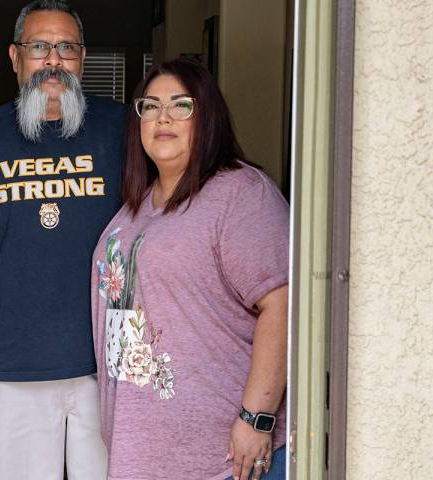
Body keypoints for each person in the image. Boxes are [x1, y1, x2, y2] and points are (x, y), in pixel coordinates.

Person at [0, 1, 126, 478]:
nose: (53, 60)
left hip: (113, 368)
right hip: (10, 366)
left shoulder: (125, 130)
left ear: (81, 58)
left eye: (66, 48)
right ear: (15, 58)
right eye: (39, 47)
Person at [91, 58, 289, 480]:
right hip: (145, 449)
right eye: (150, 105)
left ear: (209, 117)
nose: (163, 116)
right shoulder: (140, 203)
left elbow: (283, 304)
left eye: (181, 105)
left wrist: (257, 419)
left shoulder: (240, 193)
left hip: (218, 456)